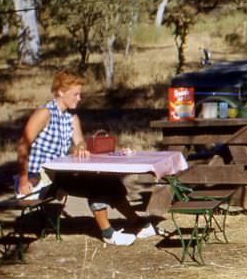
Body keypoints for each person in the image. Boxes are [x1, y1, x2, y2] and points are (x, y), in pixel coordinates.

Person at [16, 70, 156, 246]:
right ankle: (108, 233)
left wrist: (81, 149)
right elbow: (23, 145)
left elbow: (80, 141)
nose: (79, 98)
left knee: (108, 181)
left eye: (80, 94)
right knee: (95, 184)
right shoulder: (45, 113)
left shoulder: (71, 117)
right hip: (41, 176)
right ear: (60, 92)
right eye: (75, 94)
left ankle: (136, 223)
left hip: (60, 173)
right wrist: (23, 179)